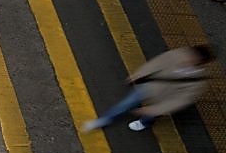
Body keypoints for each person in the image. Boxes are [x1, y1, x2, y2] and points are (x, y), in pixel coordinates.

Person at [84, 45, 215, 133]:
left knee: (150, 114)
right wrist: (139, 74)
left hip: (164, 99)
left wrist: (154, 109)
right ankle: (104, 119)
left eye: (192, 58)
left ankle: (145, 122)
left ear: (200, 62)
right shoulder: (178, 54)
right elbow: (156, 63)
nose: (187, 58)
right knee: (125, 104)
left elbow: (179, 101)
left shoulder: (198, 82)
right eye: (190, 55)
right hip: (150, 87)